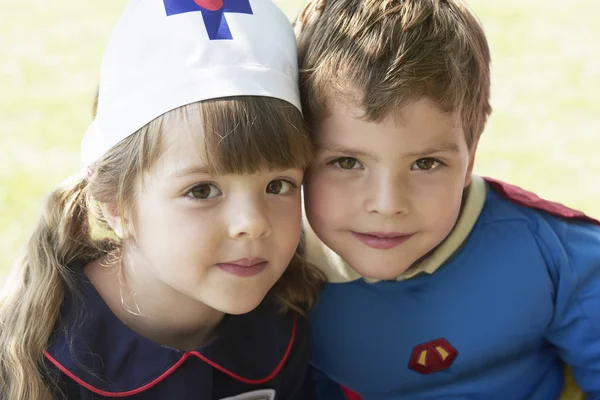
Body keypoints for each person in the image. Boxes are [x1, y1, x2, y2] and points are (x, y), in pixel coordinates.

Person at [0, 0, 324, 398]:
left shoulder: (285, 319)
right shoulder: (46, 356)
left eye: (278, 185)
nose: (253, 222)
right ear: (114, 205)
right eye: (201, 191)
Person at [294, 0, 600, 398]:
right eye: (347, 162)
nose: (387, 204)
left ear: (471, 154)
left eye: (425, 163)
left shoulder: (556, 256)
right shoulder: (273, 272)